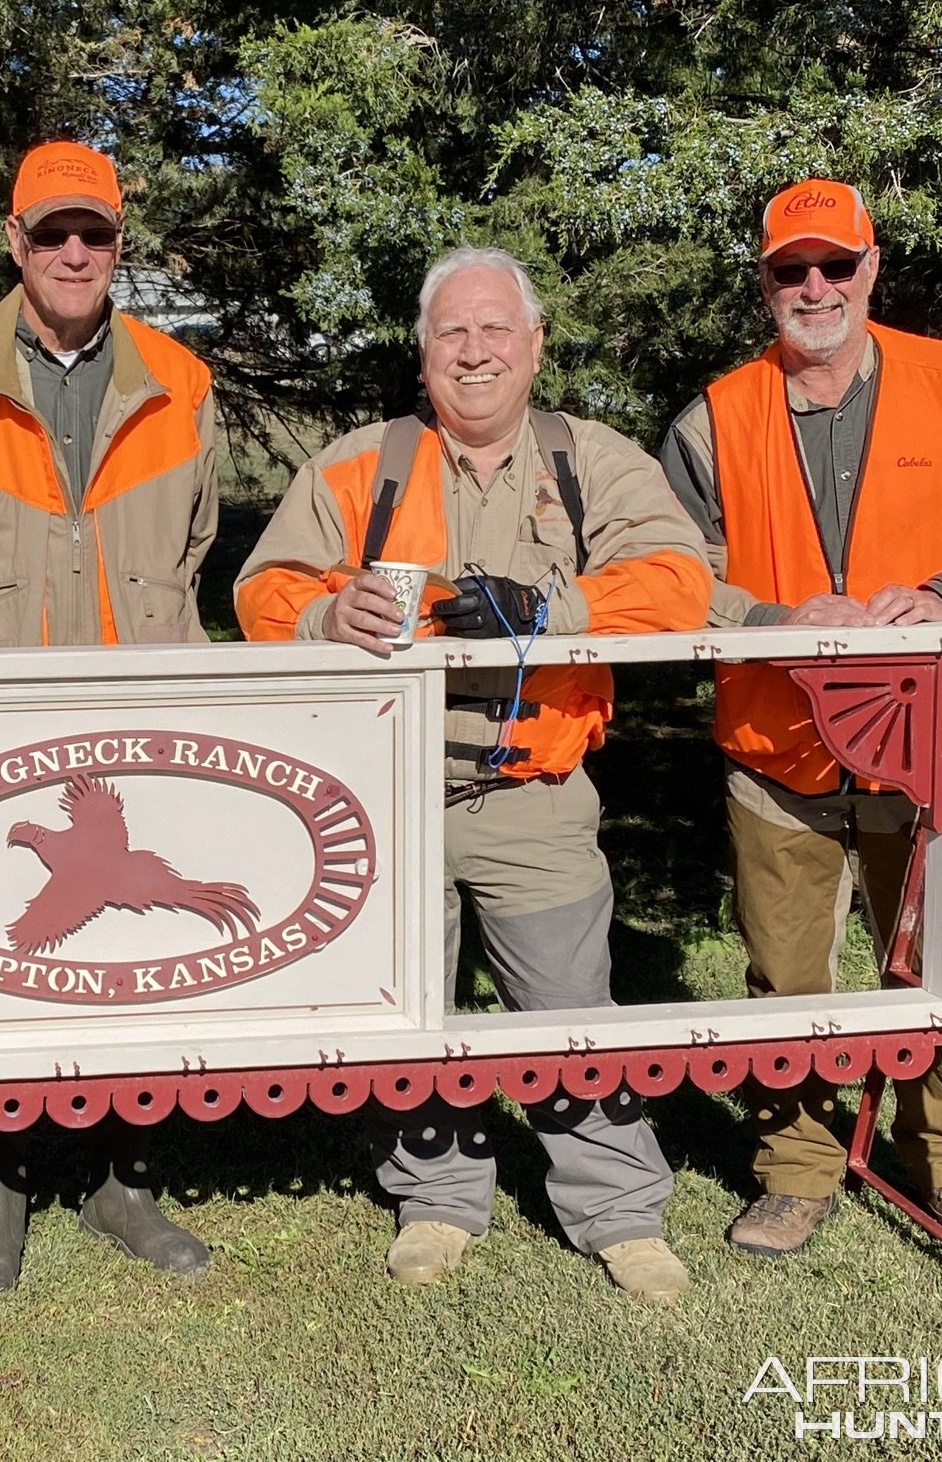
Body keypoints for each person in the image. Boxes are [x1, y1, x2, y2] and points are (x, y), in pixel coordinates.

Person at [234, 244, 711, 1304]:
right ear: (421, 354)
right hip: (385, 794)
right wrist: (321, 613)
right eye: (451, 332)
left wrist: (552, 611)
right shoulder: (366, 463)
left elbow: (681, 582)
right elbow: (260, 584)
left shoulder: (591, 460)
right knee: (413, 1020)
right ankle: (437, 1198)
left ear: (534, 344)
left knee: (567, 1012)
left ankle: (618, 1212)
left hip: (533, 795)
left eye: (495, 328)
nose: (474, 350)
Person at [658, 178, 942, 1258]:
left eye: (833, 265)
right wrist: (770, 616)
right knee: (781, 978)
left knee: (934, 961)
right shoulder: (714, 413)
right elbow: (661, 571)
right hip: (774, 750)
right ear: (762, 284)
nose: (813, 287)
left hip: (923, 740)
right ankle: (793, 1170)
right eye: (789, 269)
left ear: (869, 269)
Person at [0, 140, 220, 1297]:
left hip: (137, 722)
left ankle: (122, 1178)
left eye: (95, 235)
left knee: (135, 960)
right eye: (50, 233)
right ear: (12, 243)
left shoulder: (178, 378)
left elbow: (196, 544)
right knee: (0, 956)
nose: (73, 252)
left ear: (120, 245)